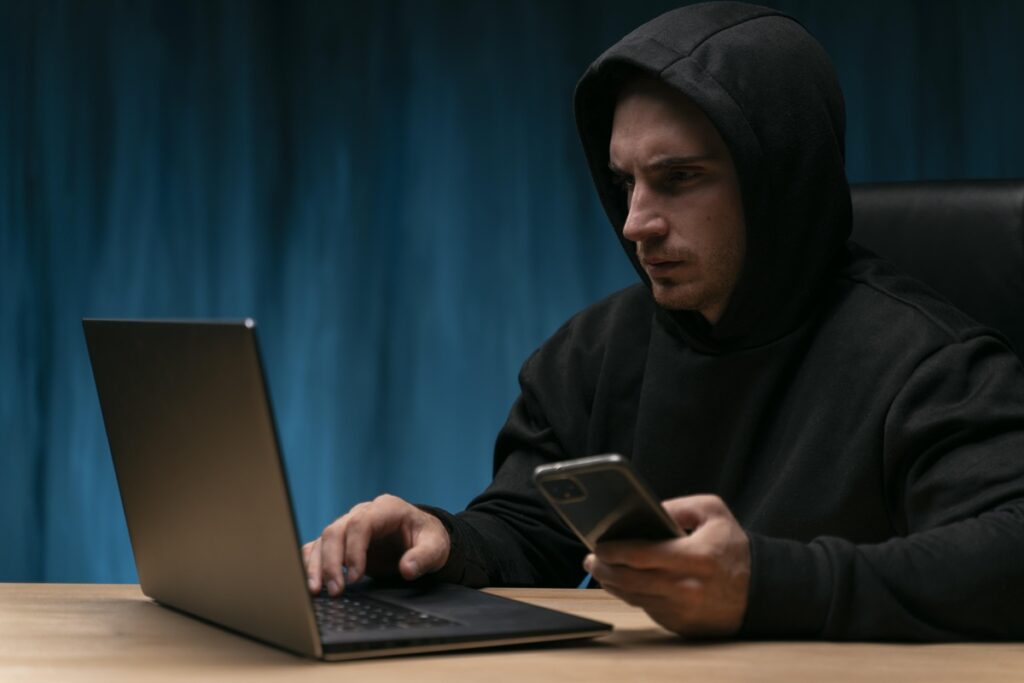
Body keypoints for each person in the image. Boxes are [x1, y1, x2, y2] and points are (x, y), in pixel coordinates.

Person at [303, 2, 1024, 640]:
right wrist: (441, 542)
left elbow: (1008, 552)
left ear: (777, 180)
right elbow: (530, 531)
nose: (635, 222)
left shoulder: (933, 365)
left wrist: (769, 584)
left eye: (679, 178)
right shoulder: (589, 354)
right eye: (625, 182)